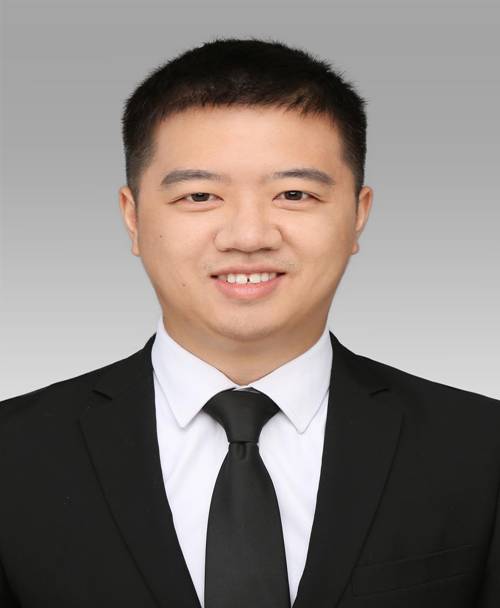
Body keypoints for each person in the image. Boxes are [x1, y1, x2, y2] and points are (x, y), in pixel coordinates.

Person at [0, 36, 498, 608]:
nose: (249, 236)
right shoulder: (14, 454)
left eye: (294, 194)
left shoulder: (481, 449)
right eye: (199, 196)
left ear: (358, 215)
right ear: (132, 218)